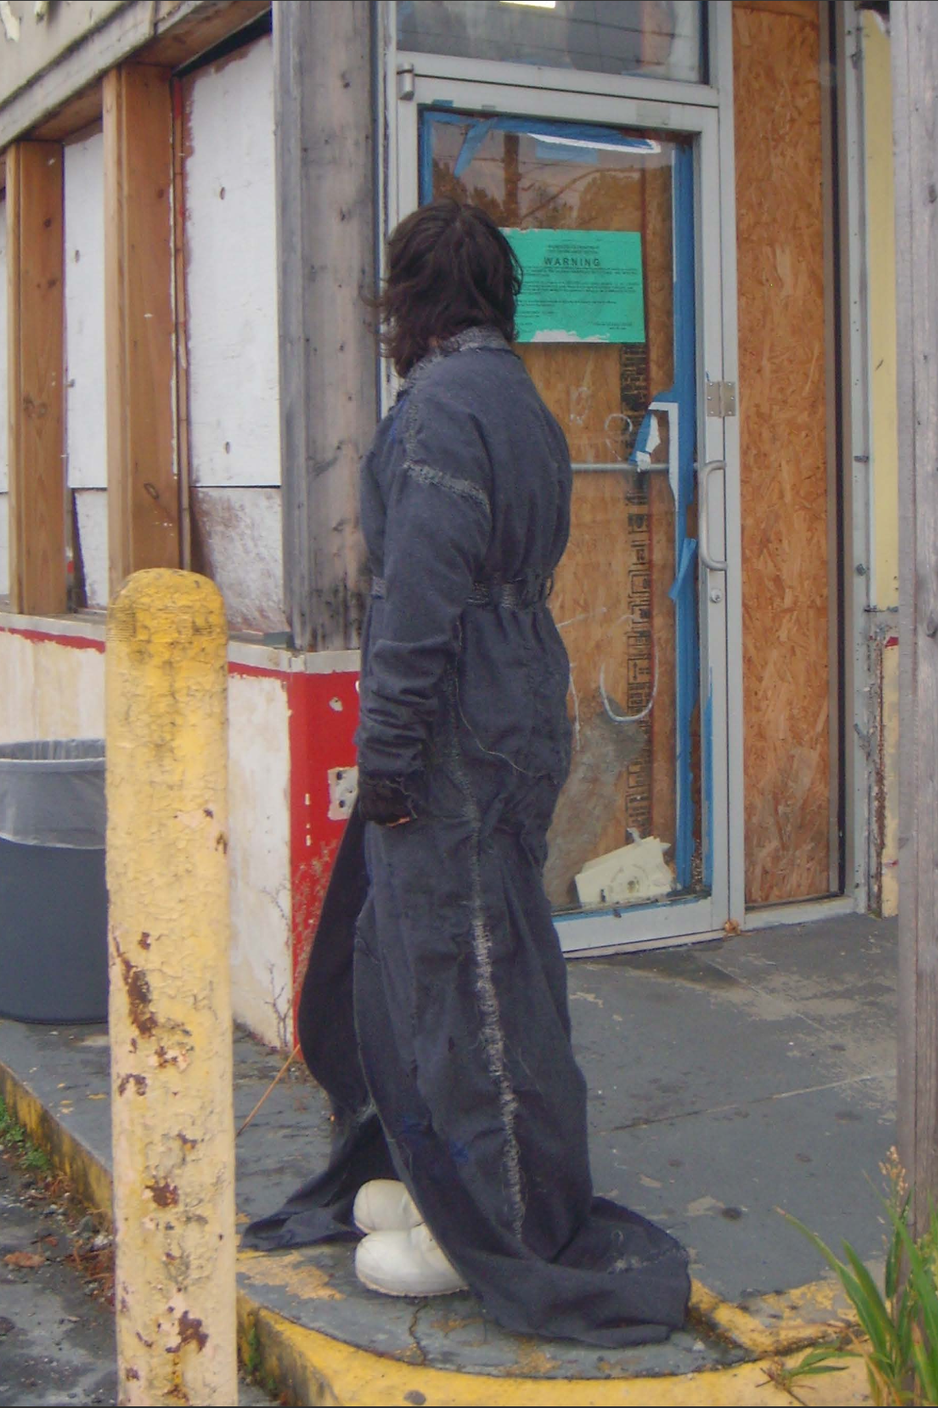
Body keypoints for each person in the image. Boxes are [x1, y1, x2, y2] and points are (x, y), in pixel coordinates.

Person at [243, 200, 692, 1345]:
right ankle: (467, 1184)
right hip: (520, 688)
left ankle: (500, 1223)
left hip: (460, 716)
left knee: (466, 970)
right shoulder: (519, 401)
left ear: (413, 300)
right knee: (492, 951)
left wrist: (387, 756)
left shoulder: (442, 409)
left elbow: (418, 601)